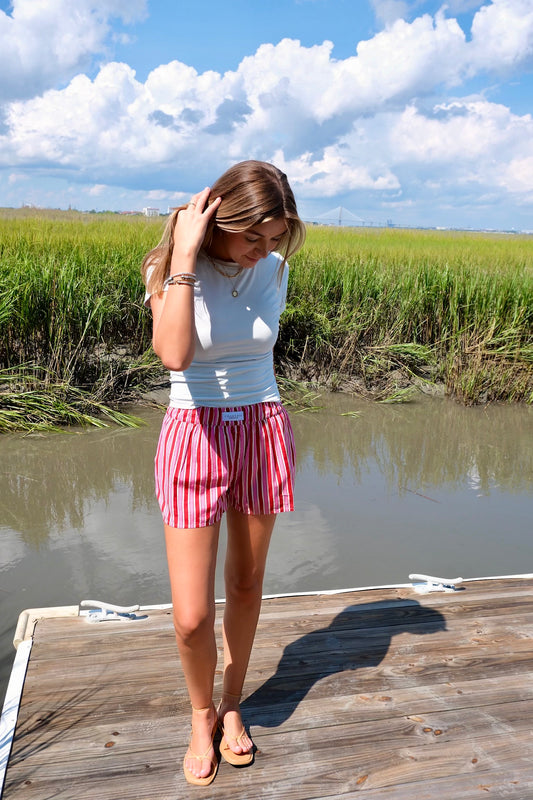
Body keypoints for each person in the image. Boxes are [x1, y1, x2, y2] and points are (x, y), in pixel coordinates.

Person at [141, 160, 306, 786]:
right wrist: (184, 255)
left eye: (275, 237)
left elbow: (255, 344)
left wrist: (261, 253)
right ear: (219, 220)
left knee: (244, 582)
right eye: (252, 236)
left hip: (262, 426)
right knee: (190, 615)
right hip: (194, 432)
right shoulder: (166, 267)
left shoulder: (275, 270)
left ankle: (232, 704)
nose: (263, 250)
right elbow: (175, 354)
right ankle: (200, 713)